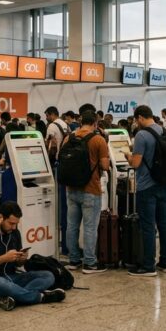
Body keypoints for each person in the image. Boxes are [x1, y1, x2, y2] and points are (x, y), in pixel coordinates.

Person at [0, 202, 65, 310]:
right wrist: (3, 258)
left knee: (48, 275)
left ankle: (16, 296)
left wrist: (21, 259)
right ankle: (40, 297)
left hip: (11, 277)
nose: (14, 227)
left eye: (16, 224)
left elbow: (18, 264)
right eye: (11, 223)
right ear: (0, 217)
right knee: (1, 283)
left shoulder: (14, 233)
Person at [123, 105, 166, 276]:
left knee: (148, 226)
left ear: (140, 118)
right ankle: (165, 262)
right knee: (164, 223)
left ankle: (148, 266)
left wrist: (128, 156)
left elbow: (135, 164)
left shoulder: (141, 135)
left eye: (137, 120)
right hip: (165, 183)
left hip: (147, 186)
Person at [64, 111, 109, 274]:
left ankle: (74, 260)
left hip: (71, 188)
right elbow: (104, 166)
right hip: (91, 188)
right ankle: (90, 263)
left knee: (72, 226)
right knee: (90, 227)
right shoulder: (98, 140)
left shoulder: (68, 138)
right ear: (95, 123)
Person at [44, 106, 70, 255]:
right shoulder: (65, 124)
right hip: (66, 166)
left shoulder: (52, 127)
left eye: (47, 115)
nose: (46, 118)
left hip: (56, 166)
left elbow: (50, 146)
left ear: (52, 114)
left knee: (59, 203)